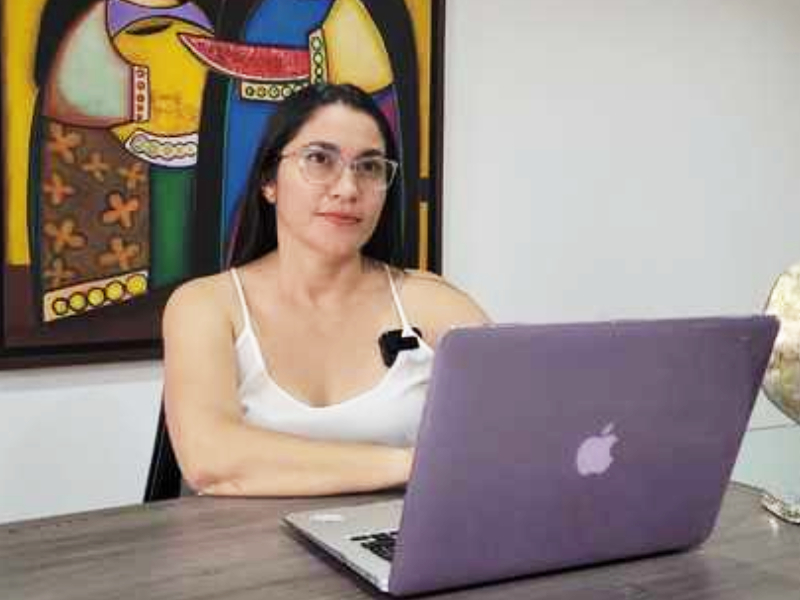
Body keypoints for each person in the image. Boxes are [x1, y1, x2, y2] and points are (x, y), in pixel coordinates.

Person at [163, 83, 489, 497]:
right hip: (241, 540)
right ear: (269, 181)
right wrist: (417, 463)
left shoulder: (434, 304)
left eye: (369, 167)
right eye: (319, 159)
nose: (348, 189)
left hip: (403, 535)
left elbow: (512, 433)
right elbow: (211, 459)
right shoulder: (206, 305)